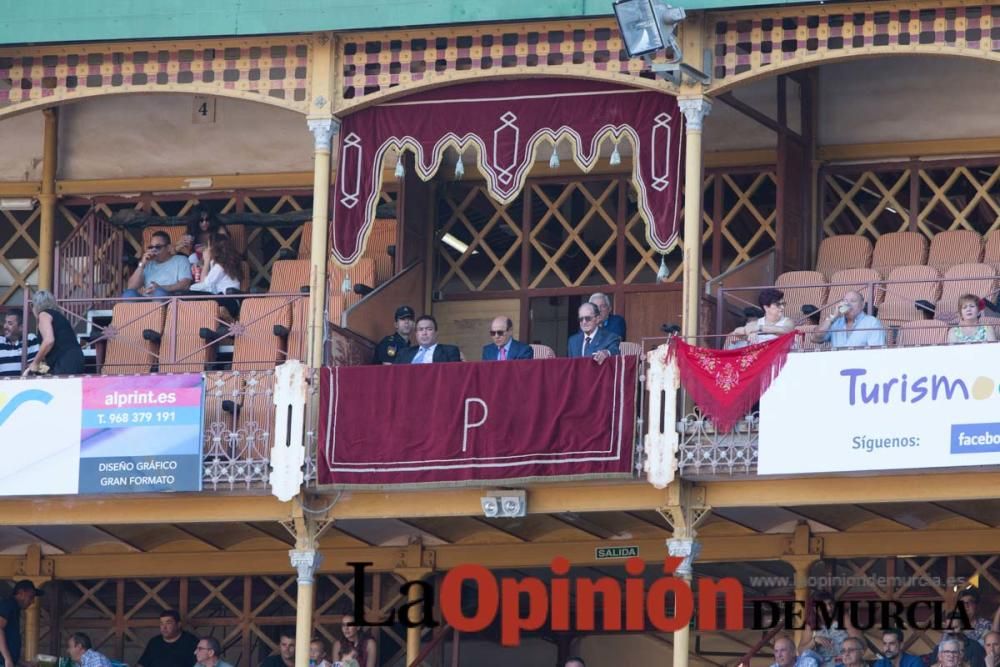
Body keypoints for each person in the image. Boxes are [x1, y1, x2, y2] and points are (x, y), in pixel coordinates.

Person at [22, 291, 84, 376]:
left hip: (65, 360)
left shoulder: (43, 314)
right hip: (76, 357)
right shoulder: (59, 316)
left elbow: (49, 340)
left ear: (34, 306)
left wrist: (35, 362)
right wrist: (39, 367)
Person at [798, 592, 862, 666]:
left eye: (830, 604)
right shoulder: (810, 625)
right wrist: (814, 641)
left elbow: (860, 643)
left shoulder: (844, 618)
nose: (829, 608)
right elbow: (801, 652)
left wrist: (847, 651)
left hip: (845, 663)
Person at [187, 234, 242, 319]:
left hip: (229, 302)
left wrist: (206, 261)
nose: (206, 249)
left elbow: (205, 284)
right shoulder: (220, 263)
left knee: (187, 294)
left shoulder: (220, 266)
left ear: (214, 248)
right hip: (225, 300)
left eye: (208, 246)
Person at [124, 231, 193, 298]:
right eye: (151, 247)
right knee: (129, 294)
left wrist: (161, 288)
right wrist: (142, 264)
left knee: (159, 292)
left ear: (168, 248)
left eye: (158, 247)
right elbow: (131, 287)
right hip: (147, 299)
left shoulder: (181, 260)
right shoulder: (148, 263)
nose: (153, 250)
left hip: (169, 299)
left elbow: (185, 284)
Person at [812, 290, 886, 348]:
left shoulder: (872, 323)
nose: (848, 304)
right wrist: (833, 316)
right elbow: (816, 338)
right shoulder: (836, 322)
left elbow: (876, 353)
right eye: (845, 301)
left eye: (853, 301)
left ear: (862, 305)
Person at [729, 288, 794, 347]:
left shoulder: (787, 322)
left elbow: (787, 330)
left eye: (783, 304)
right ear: (766, 307)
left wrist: (759, 328)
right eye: (778, 304)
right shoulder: (756, 323)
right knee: (733, 346)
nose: (782, 307)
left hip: (780, 355)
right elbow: (736, 332)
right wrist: (750, 332)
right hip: (762, 356)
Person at [0, 580, 42, 667]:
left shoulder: (15, 609)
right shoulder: (8, 605)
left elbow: (10, 644)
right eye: (31, 597)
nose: (32, 601)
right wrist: (7, 659)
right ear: (21, 593)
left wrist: (24, 663)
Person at [393, 315, 461, 364]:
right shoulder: (404, 353)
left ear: (436, 333)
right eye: (421, 329)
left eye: (429, 329)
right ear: (416, 334)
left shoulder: (449, 351)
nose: (424, 333)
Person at [0, 310, 39, 377]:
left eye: (10, 324)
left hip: (24, 385)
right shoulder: (0, 341)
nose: (5, 326)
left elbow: (33, 367)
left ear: (21, 327)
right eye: (5, 323)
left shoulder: (30, 339)